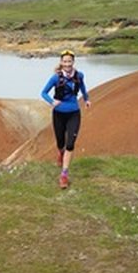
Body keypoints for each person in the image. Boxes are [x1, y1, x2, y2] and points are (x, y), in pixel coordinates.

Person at [40, 49, 91, 189]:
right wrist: (52, 102)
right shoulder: (55, 78)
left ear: (73, 62)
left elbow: (83, 88)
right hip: (58, 114)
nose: (67, 64)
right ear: (61, 62)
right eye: (65, 61)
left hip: (74, 113)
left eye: (70, 61)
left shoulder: (79, 76)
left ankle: (64, 175)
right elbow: (43, 93)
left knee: (70, 144)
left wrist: (87, 99)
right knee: (60, 142)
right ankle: (60, 153)